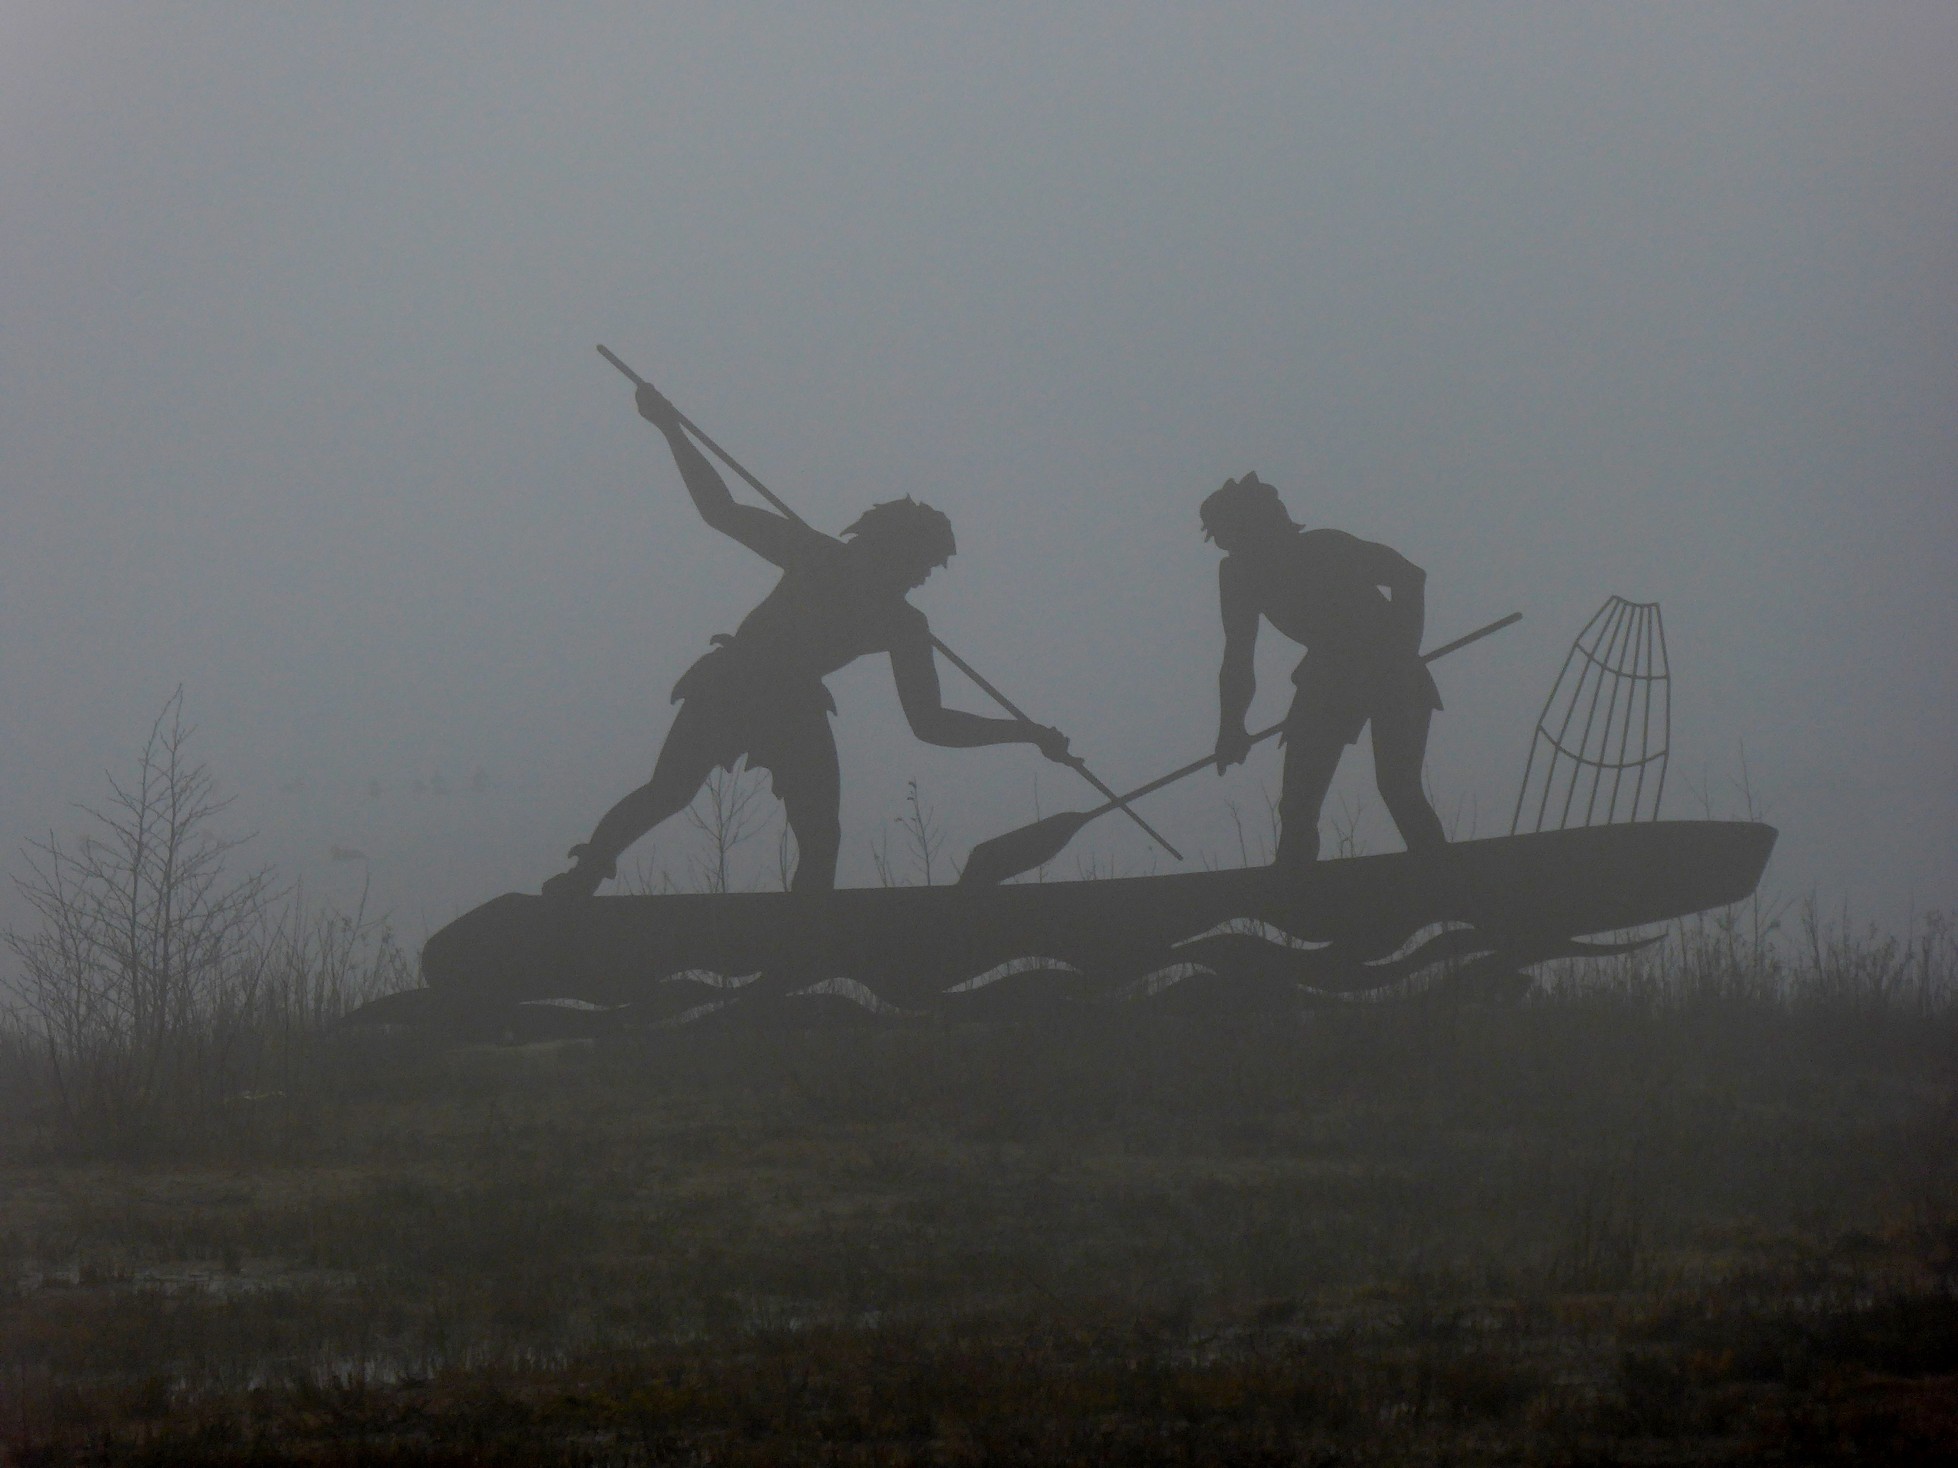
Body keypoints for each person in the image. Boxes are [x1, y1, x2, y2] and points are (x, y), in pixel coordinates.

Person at [544, 383, 1073, 897]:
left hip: (793, 702)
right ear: (895, 551)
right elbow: (719, 510)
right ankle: (584, 876)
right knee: (668, 792)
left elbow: (930, 723)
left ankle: (810, 923)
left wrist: (1026, 733)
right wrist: (670, 429)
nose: (922, 578)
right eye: (922, 565)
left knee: (820, 832)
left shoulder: (901, 622)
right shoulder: (819, 556)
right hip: (735, 681)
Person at [1203, 473, 1447, 869]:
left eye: (1236, 536)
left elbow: (1408, 575)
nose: (1232, 548)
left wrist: (1402, 651)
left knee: (1399, 789)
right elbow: (1238, 656)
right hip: (1327, 676)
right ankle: (1294, 887)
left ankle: (1443, 877)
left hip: (1388, 667)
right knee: (1297, 806)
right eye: (1226, 541)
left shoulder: (1326, 547)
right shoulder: (1239, 576)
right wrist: (1231, 726)